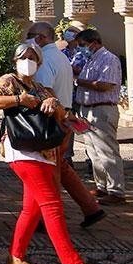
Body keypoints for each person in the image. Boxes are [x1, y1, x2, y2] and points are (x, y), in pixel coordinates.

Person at [0, 42, 112, 264]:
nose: (28, 61)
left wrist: (55, 106)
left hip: (45, 153)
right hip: (22, 151)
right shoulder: (9, 81)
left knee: (32, 210)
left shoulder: (41, 88)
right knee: (52, 205)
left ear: (39, 63)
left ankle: (16, 256)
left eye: (33, 57)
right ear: (15, 60)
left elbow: (61, 114)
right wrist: (19, 99)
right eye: (24, 57)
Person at [26, 23, 104, 228]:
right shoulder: (60, 56)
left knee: (47, 169)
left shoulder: (46, 59)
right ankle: (91, 208)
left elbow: (45, 91)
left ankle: (47, 216)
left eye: (30, 36)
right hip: (63, 114)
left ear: (41, 38)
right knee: (61, 166)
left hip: (52, 117)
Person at [73, 29, 126, 205]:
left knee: (107, 151)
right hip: (87, 110)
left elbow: (105, 85)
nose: (80, 49)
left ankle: (116, 190)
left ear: (93, 43)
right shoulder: (90, 60)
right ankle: (102, 186)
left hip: (102, 110)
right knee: (94, 152)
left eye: (82, 45)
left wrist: (79, 81)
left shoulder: (108, 59)